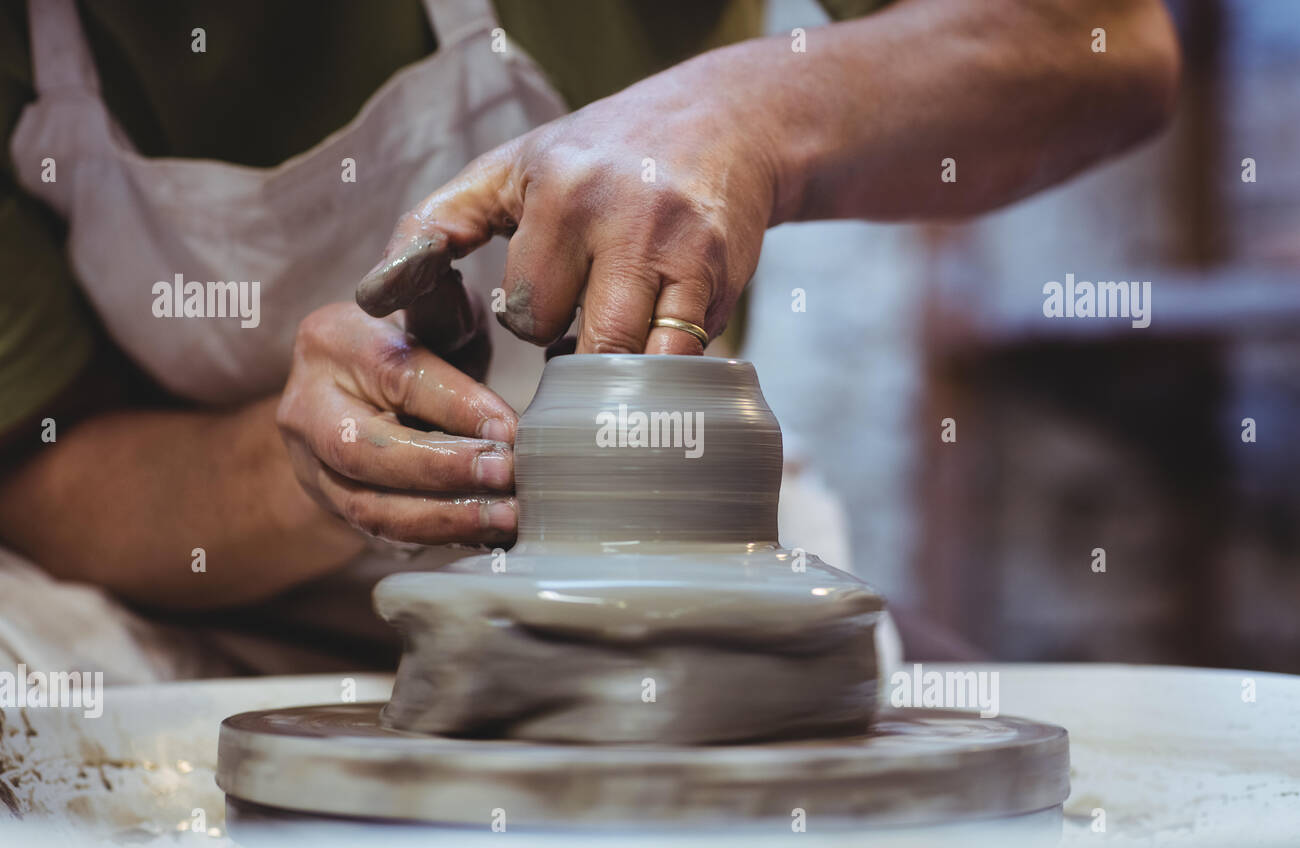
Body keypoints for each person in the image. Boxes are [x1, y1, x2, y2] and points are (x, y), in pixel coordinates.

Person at [0, 0, 1180, 679]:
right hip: (197, 619)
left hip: (683, 591)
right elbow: (42, 468)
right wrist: (304, 471)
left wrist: (757, 112)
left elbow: (1109, 44)